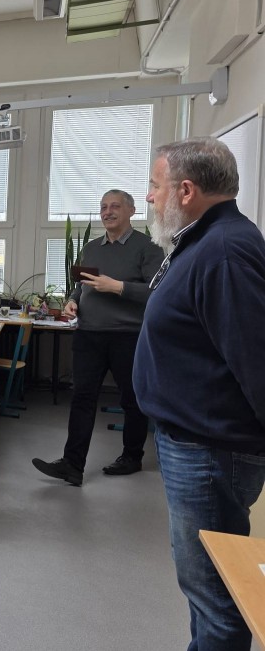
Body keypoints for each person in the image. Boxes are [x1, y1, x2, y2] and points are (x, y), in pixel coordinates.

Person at [134, 137, 265, 650]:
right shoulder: (203, 239)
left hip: (210, 451)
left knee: (216, 596)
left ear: (185, 190)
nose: (150, 197)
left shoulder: (225, 251)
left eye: (155, 186)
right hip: (197, 444)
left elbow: (255, 359)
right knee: (205, 589)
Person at [31, 189, 164, 486]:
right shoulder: (91, 248)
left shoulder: (148, 247)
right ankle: (72, 464)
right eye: (103, 207)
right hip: (89, 334)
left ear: (131, 211)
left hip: (127, 337)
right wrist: (72, 300)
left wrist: (118, 287)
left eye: (115, 206)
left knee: (132, 400)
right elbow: (82, 285)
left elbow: (159, 291)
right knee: (82, 398)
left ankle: (132, 457)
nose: (107, 212)